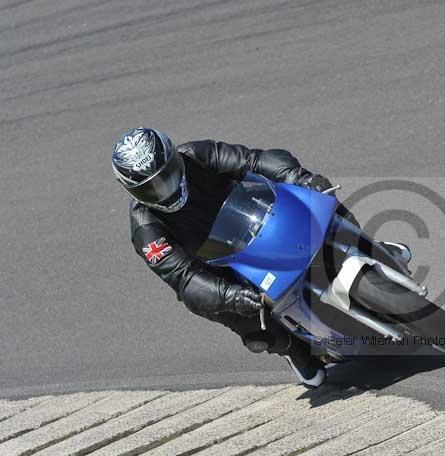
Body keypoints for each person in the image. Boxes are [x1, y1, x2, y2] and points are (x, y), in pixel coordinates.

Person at [112, 127, 407, 388]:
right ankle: (295, 351)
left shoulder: (197, 155)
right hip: (220, 268)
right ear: (133, 191)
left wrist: (298, 177)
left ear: (175, 158)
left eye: (168, 175)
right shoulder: (146, 229)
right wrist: (228, 296)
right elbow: (183, 278)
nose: (165, 189)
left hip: (256, 218)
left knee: (316, 196)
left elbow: (252, 160)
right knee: (257, 331)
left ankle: (367, 244)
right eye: (151, 187)